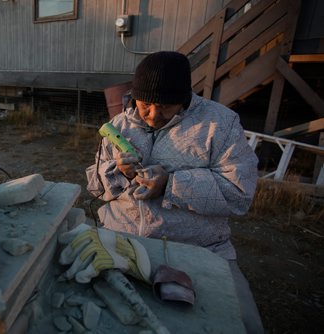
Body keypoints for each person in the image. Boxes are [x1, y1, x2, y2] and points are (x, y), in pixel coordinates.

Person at [82, 51, 263, 333]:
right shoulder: (119, 126)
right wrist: (118, 172)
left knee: (243, 324)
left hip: (198, 247)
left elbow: (239, 194)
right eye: (146, 105)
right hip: (121, 236)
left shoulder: (220, 124)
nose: (154, 115)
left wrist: (171, 185)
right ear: (135, 96)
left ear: (185, 98)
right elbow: (94, 186)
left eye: (166, 106)